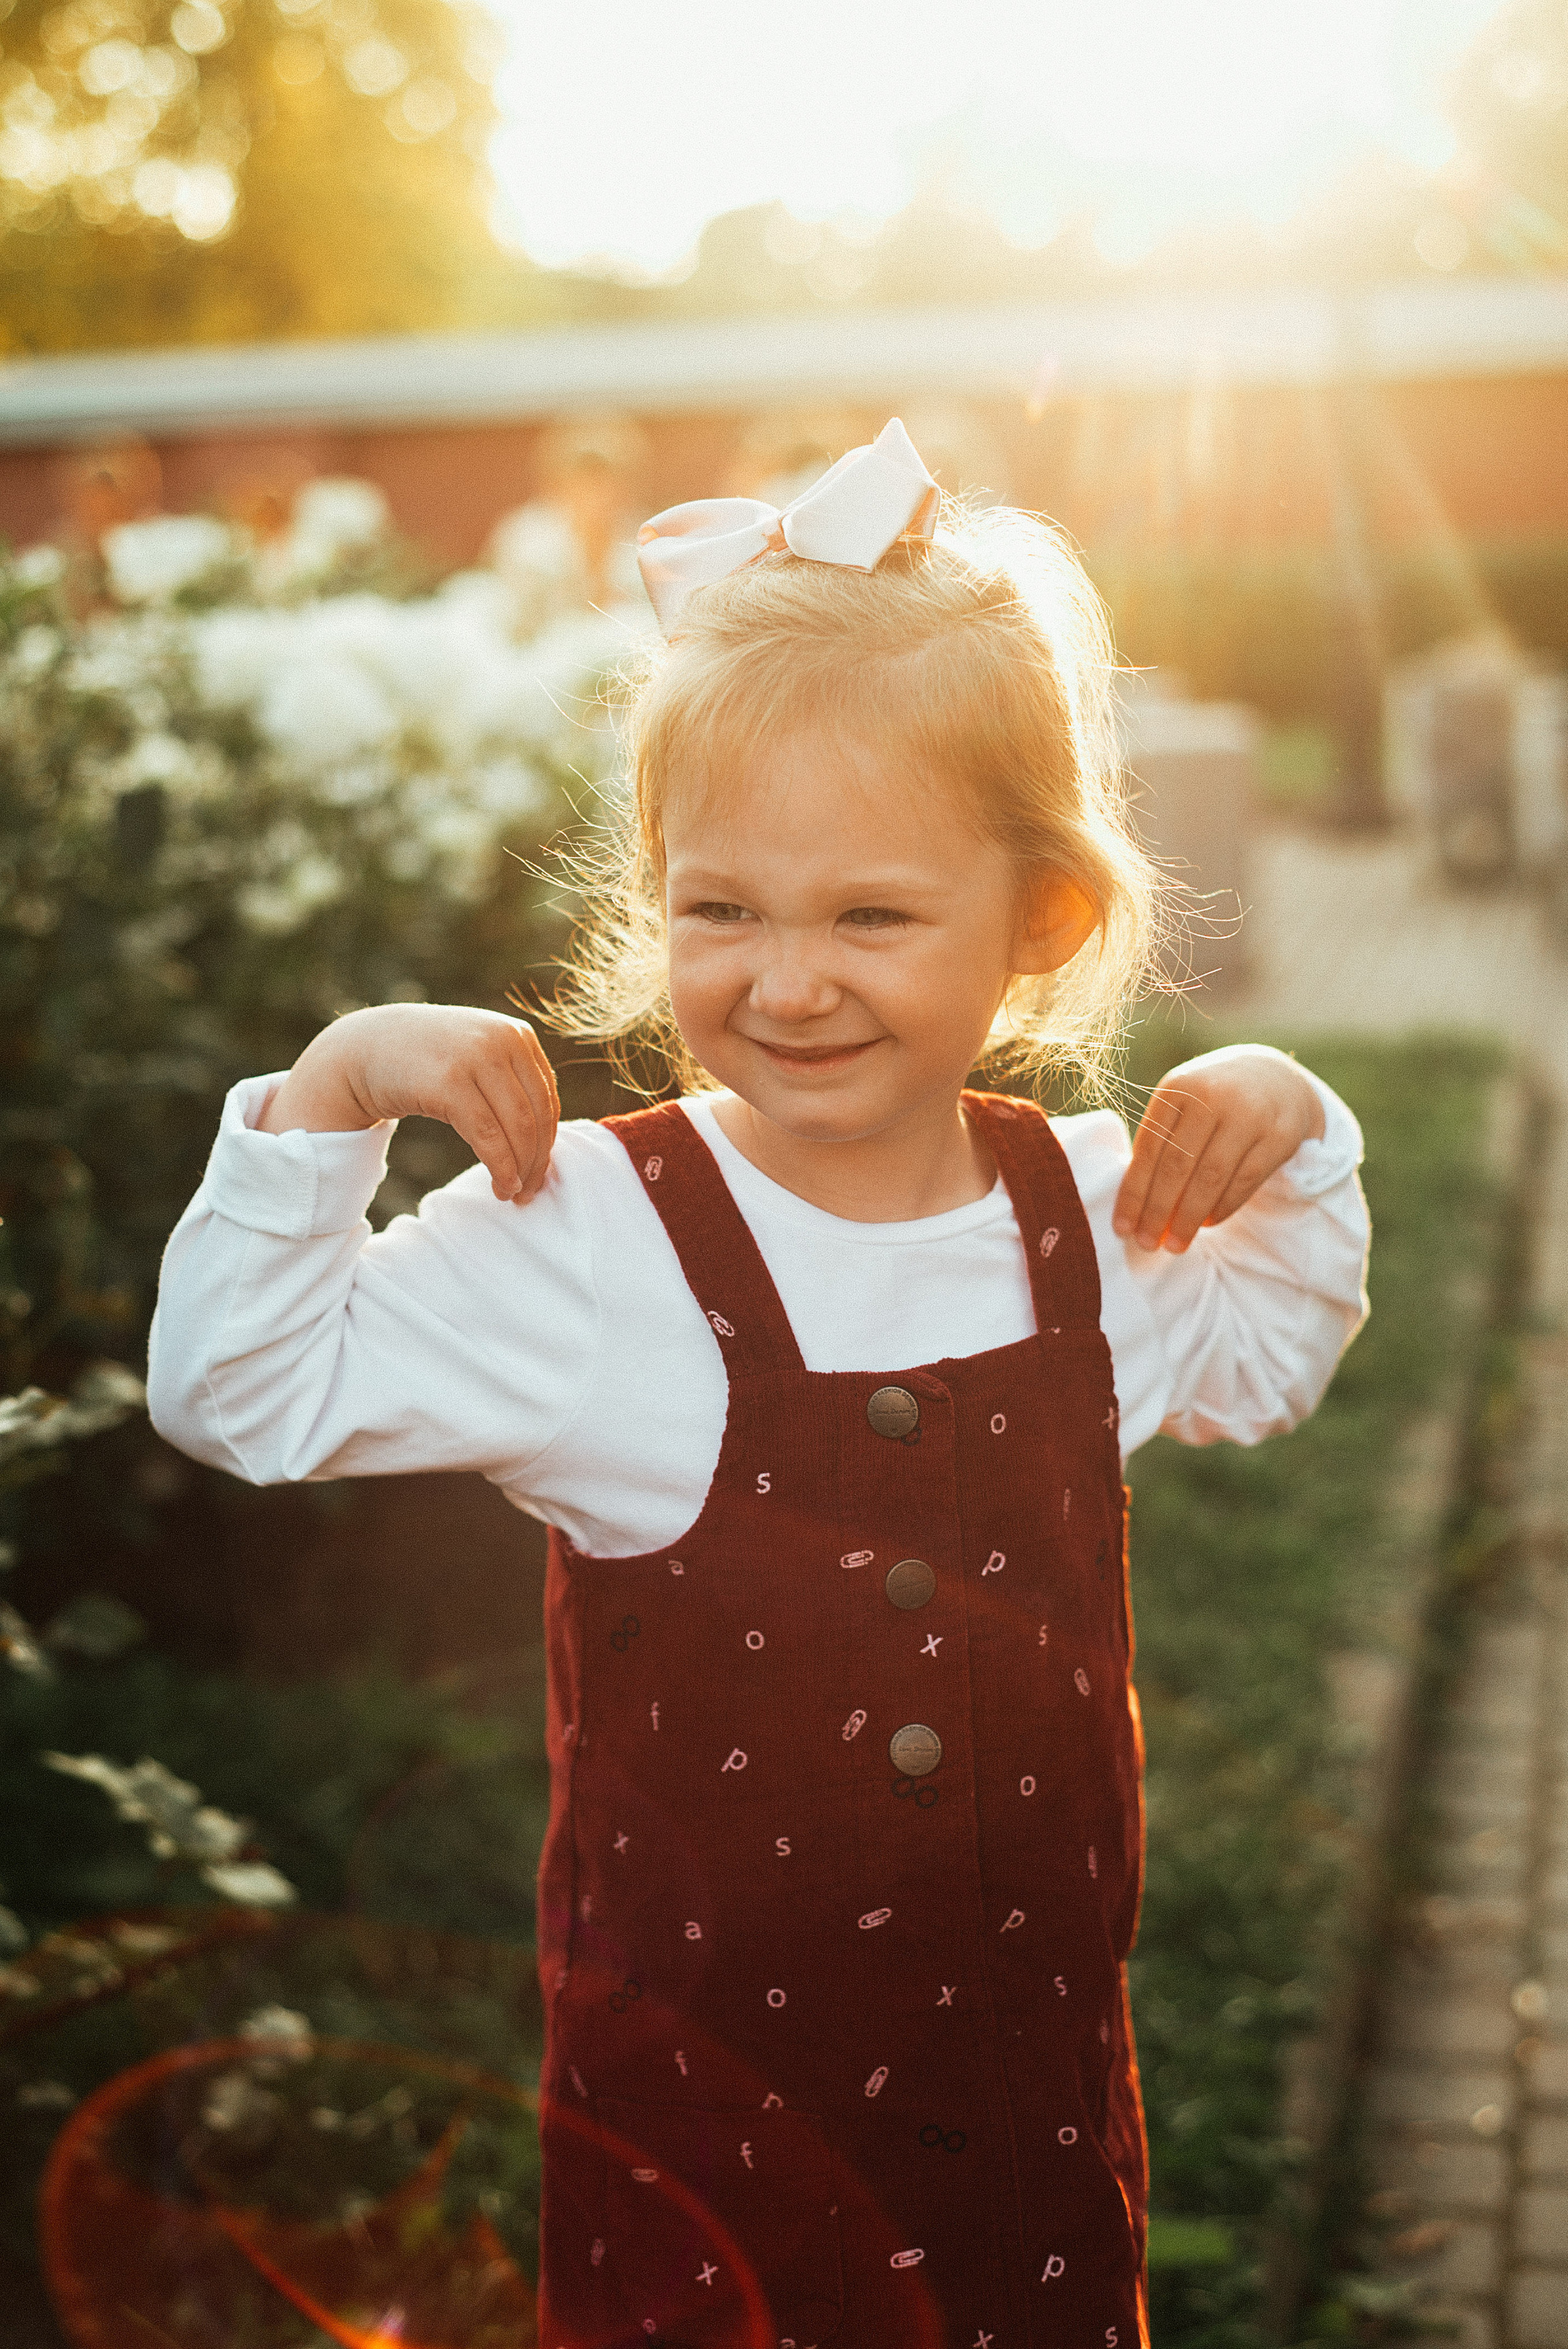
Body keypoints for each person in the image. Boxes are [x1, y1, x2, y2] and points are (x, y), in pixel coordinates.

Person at [148, 420, 1370, 2349]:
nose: (786, 980)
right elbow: (242, 1389)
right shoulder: (591, 1235)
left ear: (1037, 926)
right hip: (703, 2207)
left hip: (1032, 2175)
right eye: (722, 908)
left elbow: (1269, 1362)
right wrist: (330, 1095)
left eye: (870, 916)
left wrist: (1296, 1139)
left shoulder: (1087, 1208)